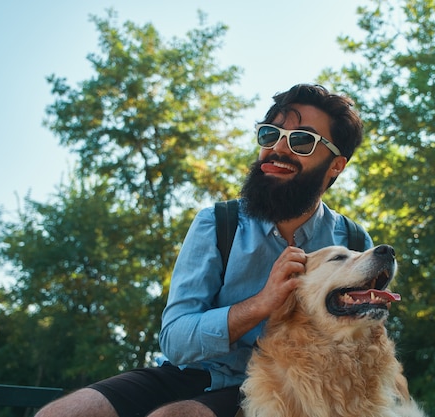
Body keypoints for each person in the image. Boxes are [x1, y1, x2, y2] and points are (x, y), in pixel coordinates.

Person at [36, 83, 373, 417]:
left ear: (335, 166)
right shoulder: (218, 223)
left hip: (288, 388)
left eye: (301, 140)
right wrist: (260, 304)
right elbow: (175, 340)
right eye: (270, 135)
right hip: (190, 373)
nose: (277, 150)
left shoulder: (354, 245)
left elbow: (364, 351)